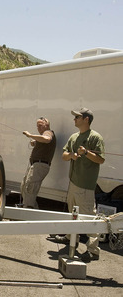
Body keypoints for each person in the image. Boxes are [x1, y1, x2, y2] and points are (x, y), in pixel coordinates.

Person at [56, 108, 105, 262]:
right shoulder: (74, 137)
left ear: (86, 119)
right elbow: (64, 155)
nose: (74, 119)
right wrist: (71, 155)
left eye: (77, 117)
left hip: (86, 186)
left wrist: (86, 153)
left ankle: (93, 250)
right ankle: (71, 238)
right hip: (73, 184)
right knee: (72, 214)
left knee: (89, 218)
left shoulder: (95, 137)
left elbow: (101, 159)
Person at [20, 117, 56, 209]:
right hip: (36, 165)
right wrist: (35, 142)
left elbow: (47, 139)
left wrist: (30, 135)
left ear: (46, 125)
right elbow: (42, 140)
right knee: (25, 186)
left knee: (29, 187)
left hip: (40, 165)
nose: (38, 128)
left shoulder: (48, 132)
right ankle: (30, 207)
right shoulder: (43, 135)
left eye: (40, 126)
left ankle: (29, 209)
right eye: (37, 126)